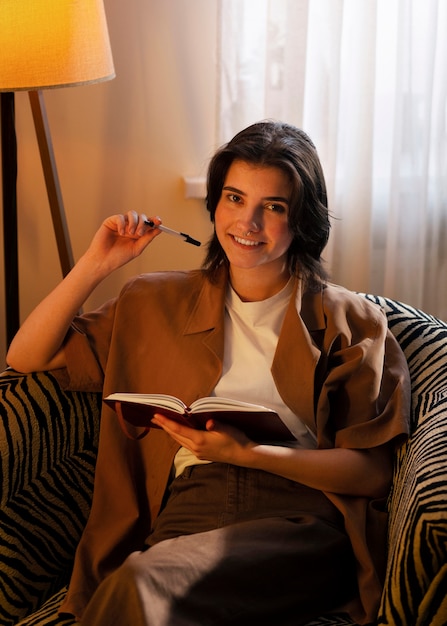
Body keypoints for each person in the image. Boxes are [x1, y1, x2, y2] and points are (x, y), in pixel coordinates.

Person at [7, 120, 410, 626]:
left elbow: (370, 472)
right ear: (215, 204)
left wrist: (247, 453)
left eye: (274, 207)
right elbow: (26, 356)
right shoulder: (152, 301)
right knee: (144, 586)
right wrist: (95, 263)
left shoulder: (349, 321)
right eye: (235, 198)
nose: (248, 222)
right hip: (185, 512)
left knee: (138, 586)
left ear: (303, 220)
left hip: (298, 517)